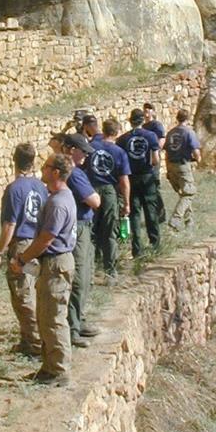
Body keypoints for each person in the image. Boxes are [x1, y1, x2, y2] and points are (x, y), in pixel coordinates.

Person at [8, 153, 77, 385]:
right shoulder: (60, 197)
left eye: (46, 166)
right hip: (54, 263)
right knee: (46, 316)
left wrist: (22, 259)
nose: (42, 169)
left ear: (56, 172)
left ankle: (58, 371)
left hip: (56, 263)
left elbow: (46, 239)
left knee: (53, 318)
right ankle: (49, 367)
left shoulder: (58, 203)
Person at [0, 143, 47, 357]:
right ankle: (27, 339)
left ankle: (35, 345)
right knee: (32, 292)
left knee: (23, 295)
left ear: (14, 160)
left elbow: (9, 225)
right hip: (38, 244)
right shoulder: (41, 187)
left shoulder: (14, 189)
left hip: (22, 245)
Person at [62, 133, 101, 347]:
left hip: (82, 226)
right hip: (78, 227)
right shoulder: (75, 174)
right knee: (78, 277)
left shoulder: (73, 171)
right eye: (82, 152)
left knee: (85, 275)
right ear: (71, 150)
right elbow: (94, 200)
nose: (85, 156)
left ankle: (78, 320)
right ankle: (73, 327)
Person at [87, 118, 131, 281]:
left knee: (90, 230)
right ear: (117, 132)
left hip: (91, 190)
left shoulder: (90, 147)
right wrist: (126, 203)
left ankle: (90, 270)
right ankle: (110, 271)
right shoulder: (119, 152)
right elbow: (124, 181)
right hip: (109, 191)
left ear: (103, 130)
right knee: (110, 231)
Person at [118, 109, 161, 256]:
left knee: (134, 213)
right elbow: (156, 159)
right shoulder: (151, 136)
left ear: (130, 121)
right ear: (143, 120)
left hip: (130, 178)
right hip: (147, 176)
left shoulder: (122, 139)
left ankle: (137, 248)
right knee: (150, 210)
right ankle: (155, 244)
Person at [164, 109, 201, 229]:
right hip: (183, 165)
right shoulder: (189, 132)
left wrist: (168, 170)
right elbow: (196, 152)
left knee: (183, 194)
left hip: (171, 166)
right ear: (188, 119)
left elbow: (166, 153)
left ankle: (189, 222)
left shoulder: (170, 133)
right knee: (189, 193)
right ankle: (175, 220)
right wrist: (198, 160)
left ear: (177, 118)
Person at [143, 102, 167, 223]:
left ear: (153, 111)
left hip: (153, 160)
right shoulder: (143, 126)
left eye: (149, 109)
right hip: (144, 161)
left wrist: (154, 154)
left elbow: (162, 140)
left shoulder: (156, 125)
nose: (146, 112)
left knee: (155, 187)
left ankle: (161, 215)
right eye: (145, 109)